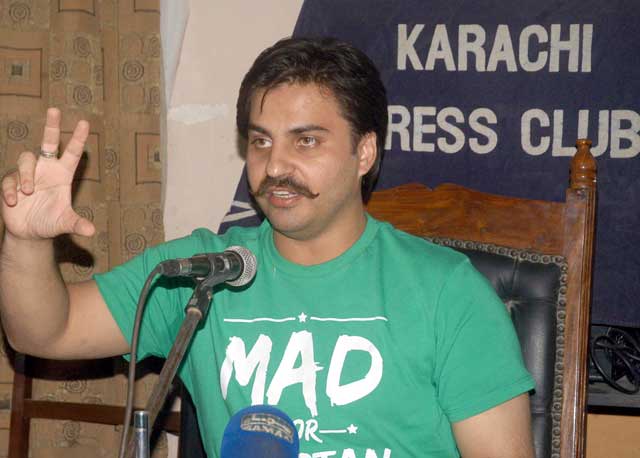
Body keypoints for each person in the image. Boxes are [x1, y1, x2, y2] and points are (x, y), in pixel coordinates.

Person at [0, 37, 535, 457]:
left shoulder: (446, 292)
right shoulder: (202, 273)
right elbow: (45, 331)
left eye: (306, 141)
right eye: (260, 141)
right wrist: (24, 241)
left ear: (364, 151)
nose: (276, 166)